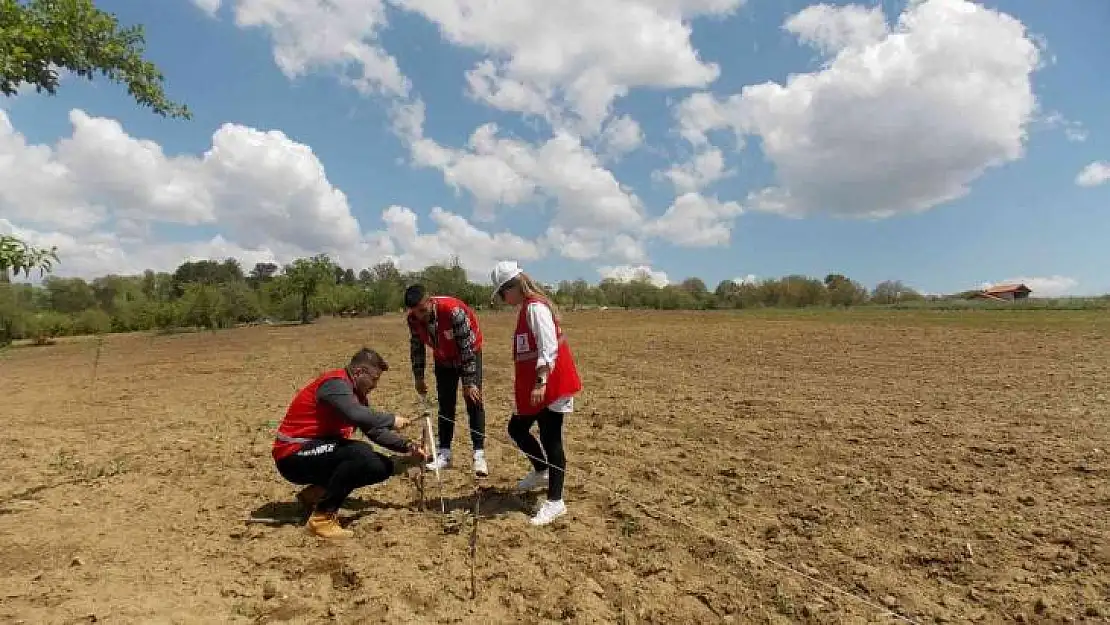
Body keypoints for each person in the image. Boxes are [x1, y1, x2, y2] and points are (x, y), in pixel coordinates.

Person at [272, 347, 428, 539]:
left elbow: (373, 430)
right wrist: (391, 419)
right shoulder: (335, 385)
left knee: (380, 466)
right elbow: (355, 414)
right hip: (292, 455)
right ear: (359, 372)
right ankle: (322, 518)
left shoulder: (357, 396)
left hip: (318, 450)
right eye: (374, 378)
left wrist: (407, 446)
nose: (375, 385)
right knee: (359, 453)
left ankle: (313, 495)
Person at [490, 260, 583, 526]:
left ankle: (555, 502)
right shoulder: (526, 308)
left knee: (551, 438)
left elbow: (548, 346)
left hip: (551, 384)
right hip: (539, 385)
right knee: (517, 429)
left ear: (513, 286)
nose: (501, 298)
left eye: (501, 292)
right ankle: (541, 470)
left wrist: (541, 381)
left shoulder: (535, 308)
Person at [404, 284, 488, 477]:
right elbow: (417, 347)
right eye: (415, 313)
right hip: (443, 359)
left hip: (469, 353)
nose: (420, 316)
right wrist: (419, 376)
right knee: (445, 404)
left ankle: (478, 454)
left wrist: (469, 383)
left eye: (423, 310)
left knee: (473, 400)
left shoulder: (453, 311)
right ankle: (445, 453)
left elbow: (466, 349)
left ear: (430, 301)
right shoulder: (413, 320)